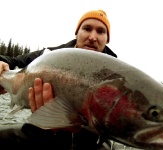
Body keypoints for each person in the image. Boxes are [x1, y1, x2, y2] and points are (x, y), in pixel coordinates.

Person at [0, 9, 117, 150]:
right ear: (77, 32)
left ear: (107, 39)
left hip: (89, 143)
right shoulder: (49, 55)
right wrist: (2, 63)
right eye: (87, 28)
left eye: (100, 31)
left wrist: (74, 124)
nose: (93, 37)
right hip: (39, 133)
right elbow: (13, 61)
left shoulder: (116, 78)